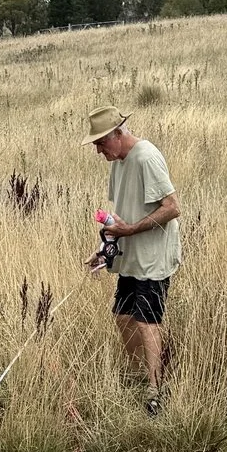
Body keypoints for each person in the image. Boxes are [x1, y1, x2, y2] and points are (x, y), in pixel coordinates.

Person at [82, 106, 181, 413]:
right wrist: (106, 247)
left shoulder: (146, 157)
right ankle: (141, 374)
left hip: (154, 258)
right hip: (131, 258)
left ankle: (155, 391)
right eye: (96, 145)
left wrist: (131, 230)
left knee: (146, 322)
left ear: (118, 133)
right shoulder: (118, 161)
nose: (99, 151)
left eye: (101, 143)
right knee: (123, 318)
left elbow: (172, 207)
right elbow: (119, 216)